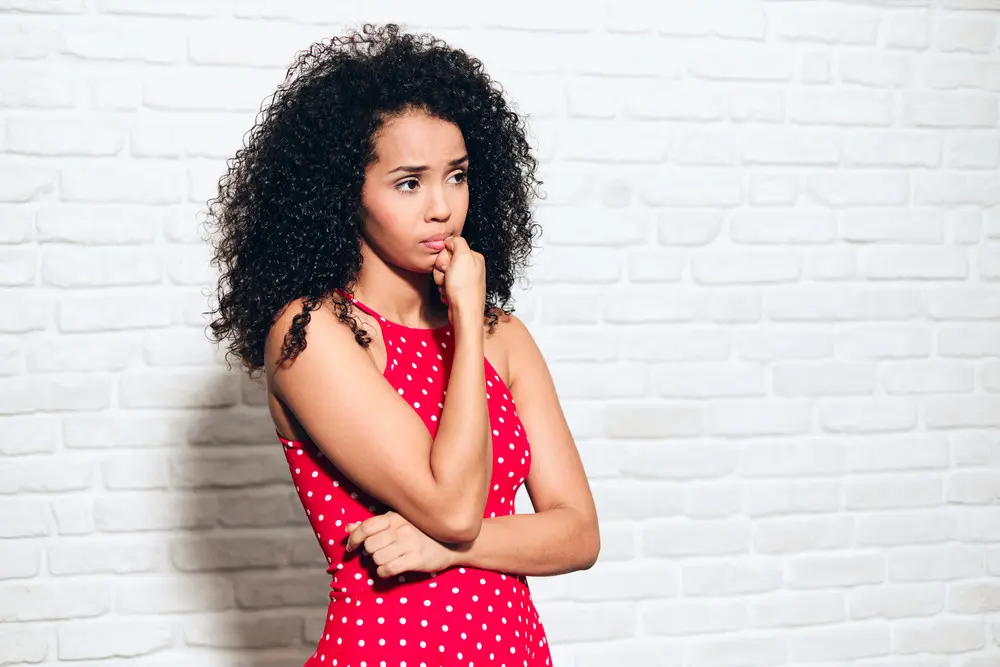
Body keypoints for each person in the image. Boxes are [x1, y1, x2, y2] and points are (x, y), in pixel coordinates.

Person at [205, 23, 599, 667]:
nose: (442, 207)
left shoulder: (508, 338)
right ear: (344, 192)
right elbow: (449, 505)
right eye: (409, 182)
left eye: (457, 175)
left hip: (512, 650)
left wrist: (453, 549)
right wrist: (466, 325)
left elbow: (578, 532)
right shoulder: (314, 332)